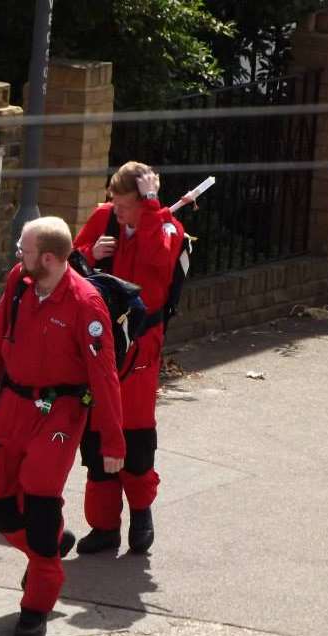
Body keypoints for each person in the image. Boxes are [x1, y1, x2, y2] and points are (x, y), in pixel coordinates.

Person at [0, 216, 125, 636]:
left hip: (60, 412)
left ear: (50, 258)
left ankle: (36, 603)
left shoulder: (86, 306)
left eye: (25, 249)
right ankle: (50, 546)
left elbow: (105, 377)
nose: (18, 254)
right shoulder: (21, 281)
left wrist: (112, 441)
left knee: (39, 499)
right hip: (12, 402)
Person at [71, 162, 188, 555]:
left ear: (143, 202)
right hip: (99, 342)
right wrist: (89, 251)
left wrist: (154, 211)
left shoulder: (168, 226)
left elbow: (159, 261)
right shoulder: (105, 219)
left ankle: (141, 512)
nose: (115, 212)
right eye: (113, 203)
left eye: (123, 206)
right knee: (96, 432)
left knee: (135, 434)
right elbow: (69, 265)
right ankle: (103, 526)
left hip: (140, 346)